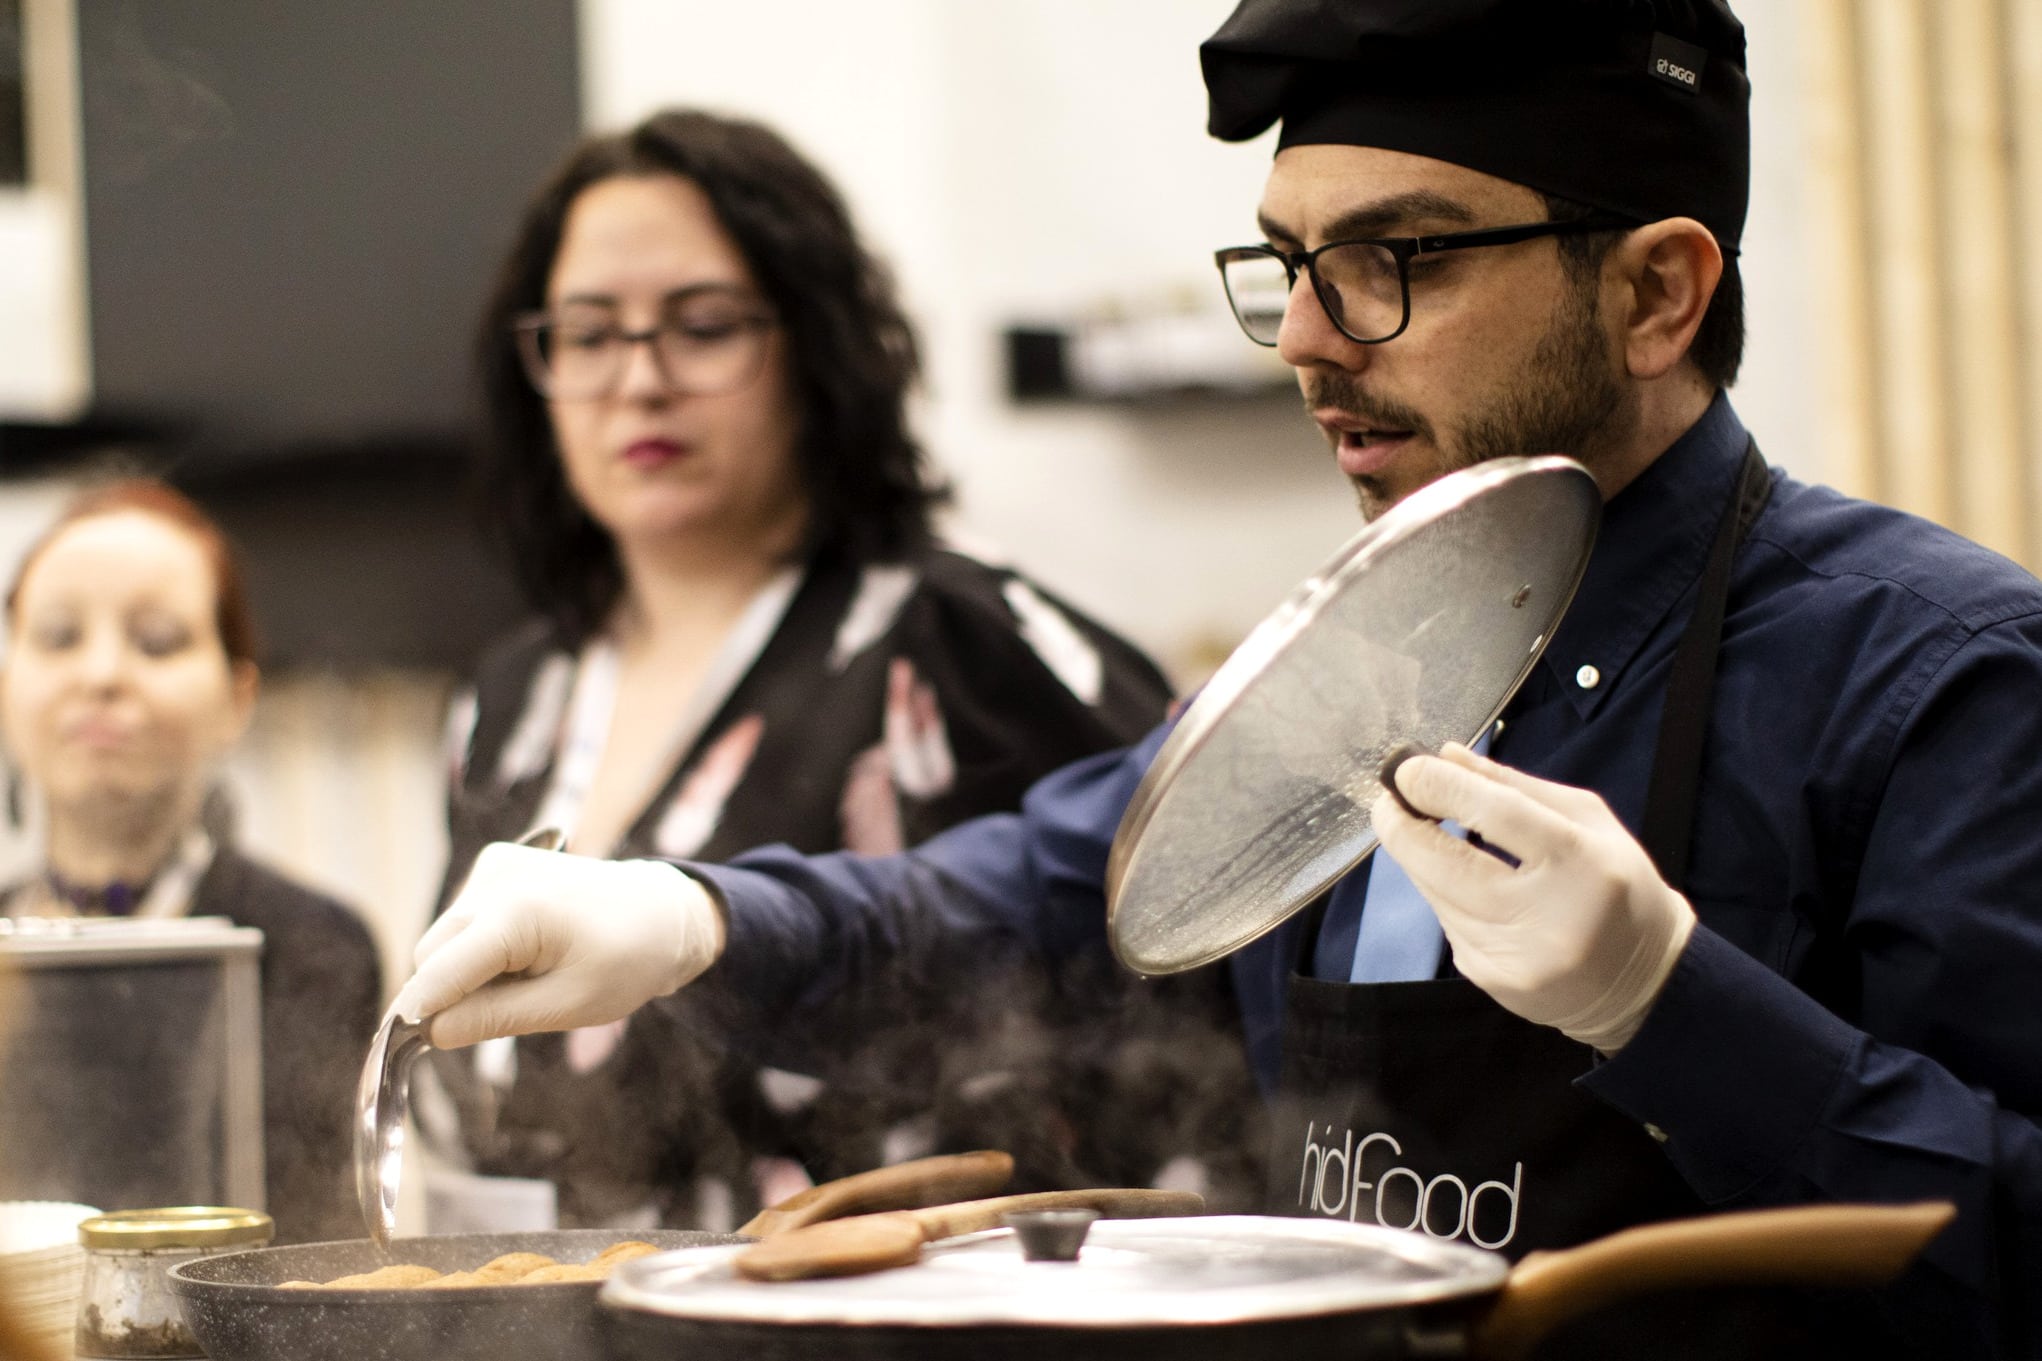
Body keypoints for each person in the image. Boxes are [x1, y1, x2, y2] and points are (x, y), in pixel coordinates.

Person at [394, 3, 2042, 1355]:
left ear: (1654, 291)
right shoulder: (1350, 657)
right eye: (1285, 265)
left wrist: (1666, 1005)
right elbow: (1024, 903)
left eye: (1396, 258)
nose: (1308, 340)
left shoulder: (1932, 671)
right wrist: (684, 921)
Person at [430, 107, 1197, 1231]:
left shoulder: (959, 635)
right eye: (590, 334)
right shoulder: (510, 694)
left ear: (813, 342)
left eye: (701, 325)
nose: (639, 381)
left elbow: (1184, 973)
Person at [0, 479, 381, 1244]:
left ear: (237, 698)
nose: (101, 674)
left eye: (157, 640)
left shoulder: (313, 946)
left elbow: (303, 1242)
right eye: (58, 636)